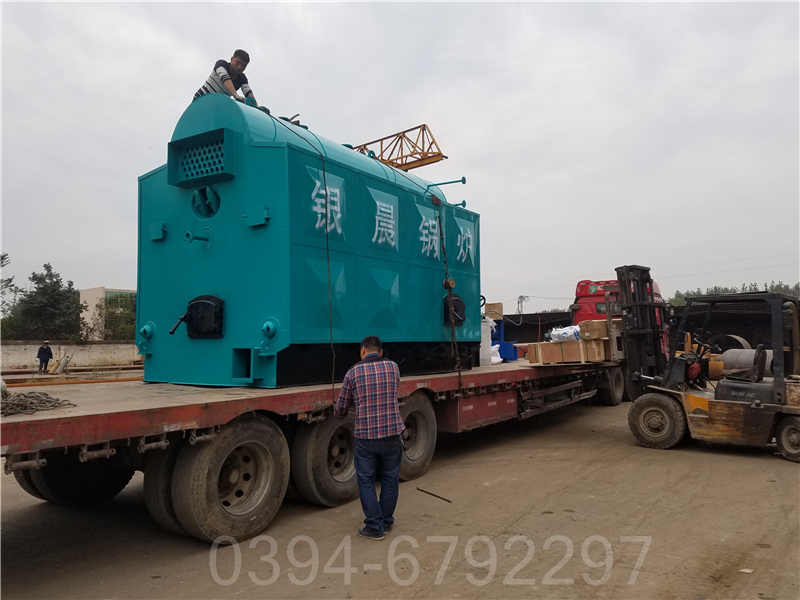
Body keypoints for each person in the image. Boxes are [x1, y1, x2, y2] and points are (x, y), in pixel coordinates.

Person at [335, 336, 405, 540]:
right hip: (392, 434)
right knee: (390, 478)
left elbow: (341, 408)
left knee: (366, 480)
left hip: (367, 437)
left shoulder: (353, 373)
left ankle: (374, 526)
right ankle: (387, 521)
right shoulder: (393, 368)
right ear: (380, 351)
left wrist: (338, 410)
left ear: (363, 351)